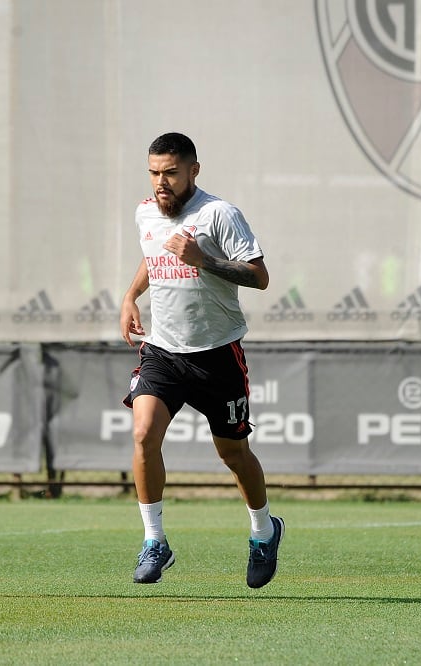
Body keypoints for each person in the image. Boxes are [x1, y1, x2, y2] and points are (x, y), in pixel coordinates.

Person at [119, 132, 284, 588]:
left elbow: (259, 276)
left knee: (233, 452)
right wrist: (132, 295)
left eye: (170, 172)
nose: (161, 183)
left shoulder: (219, 214)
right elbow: (152, 257)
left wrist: (203, 258)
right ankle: (155, 541)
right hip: (163, 352)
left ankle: (264, 531)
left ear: (194, 169)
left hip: (217, 355)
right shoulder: (145, 212)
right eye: (154, 173)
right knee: (142, 433)